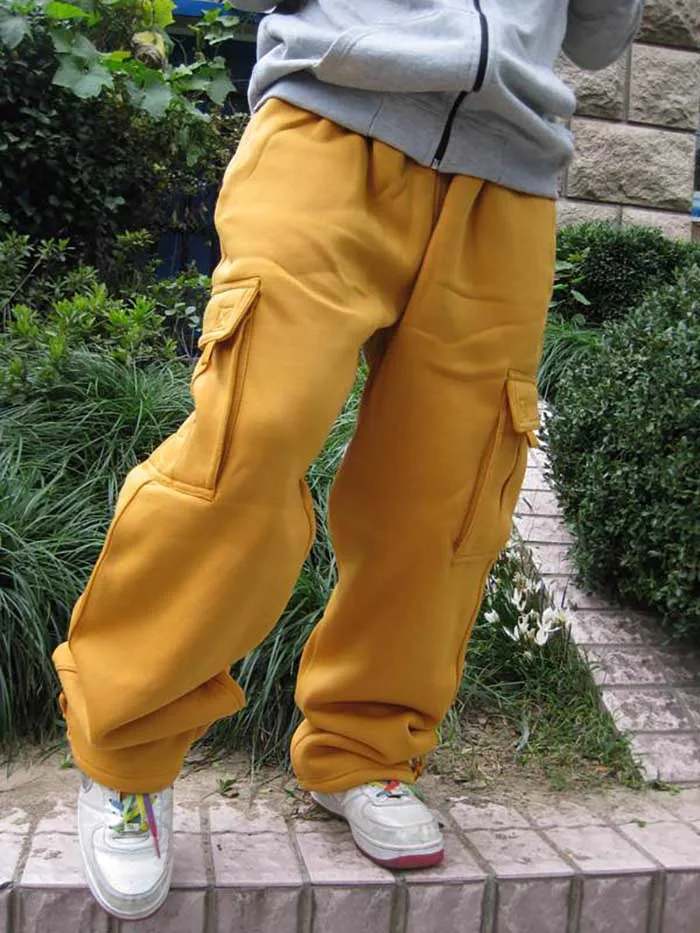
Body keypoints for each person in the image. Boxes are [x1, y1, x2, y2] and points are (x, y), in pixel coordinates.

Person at [53, 0, 643, 920]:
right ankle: (123, 753)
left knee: (448, 496)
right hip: (334, 112)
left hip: (510, 169)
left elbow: (600, 37)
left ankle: (364, 750)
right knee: (250, 435)